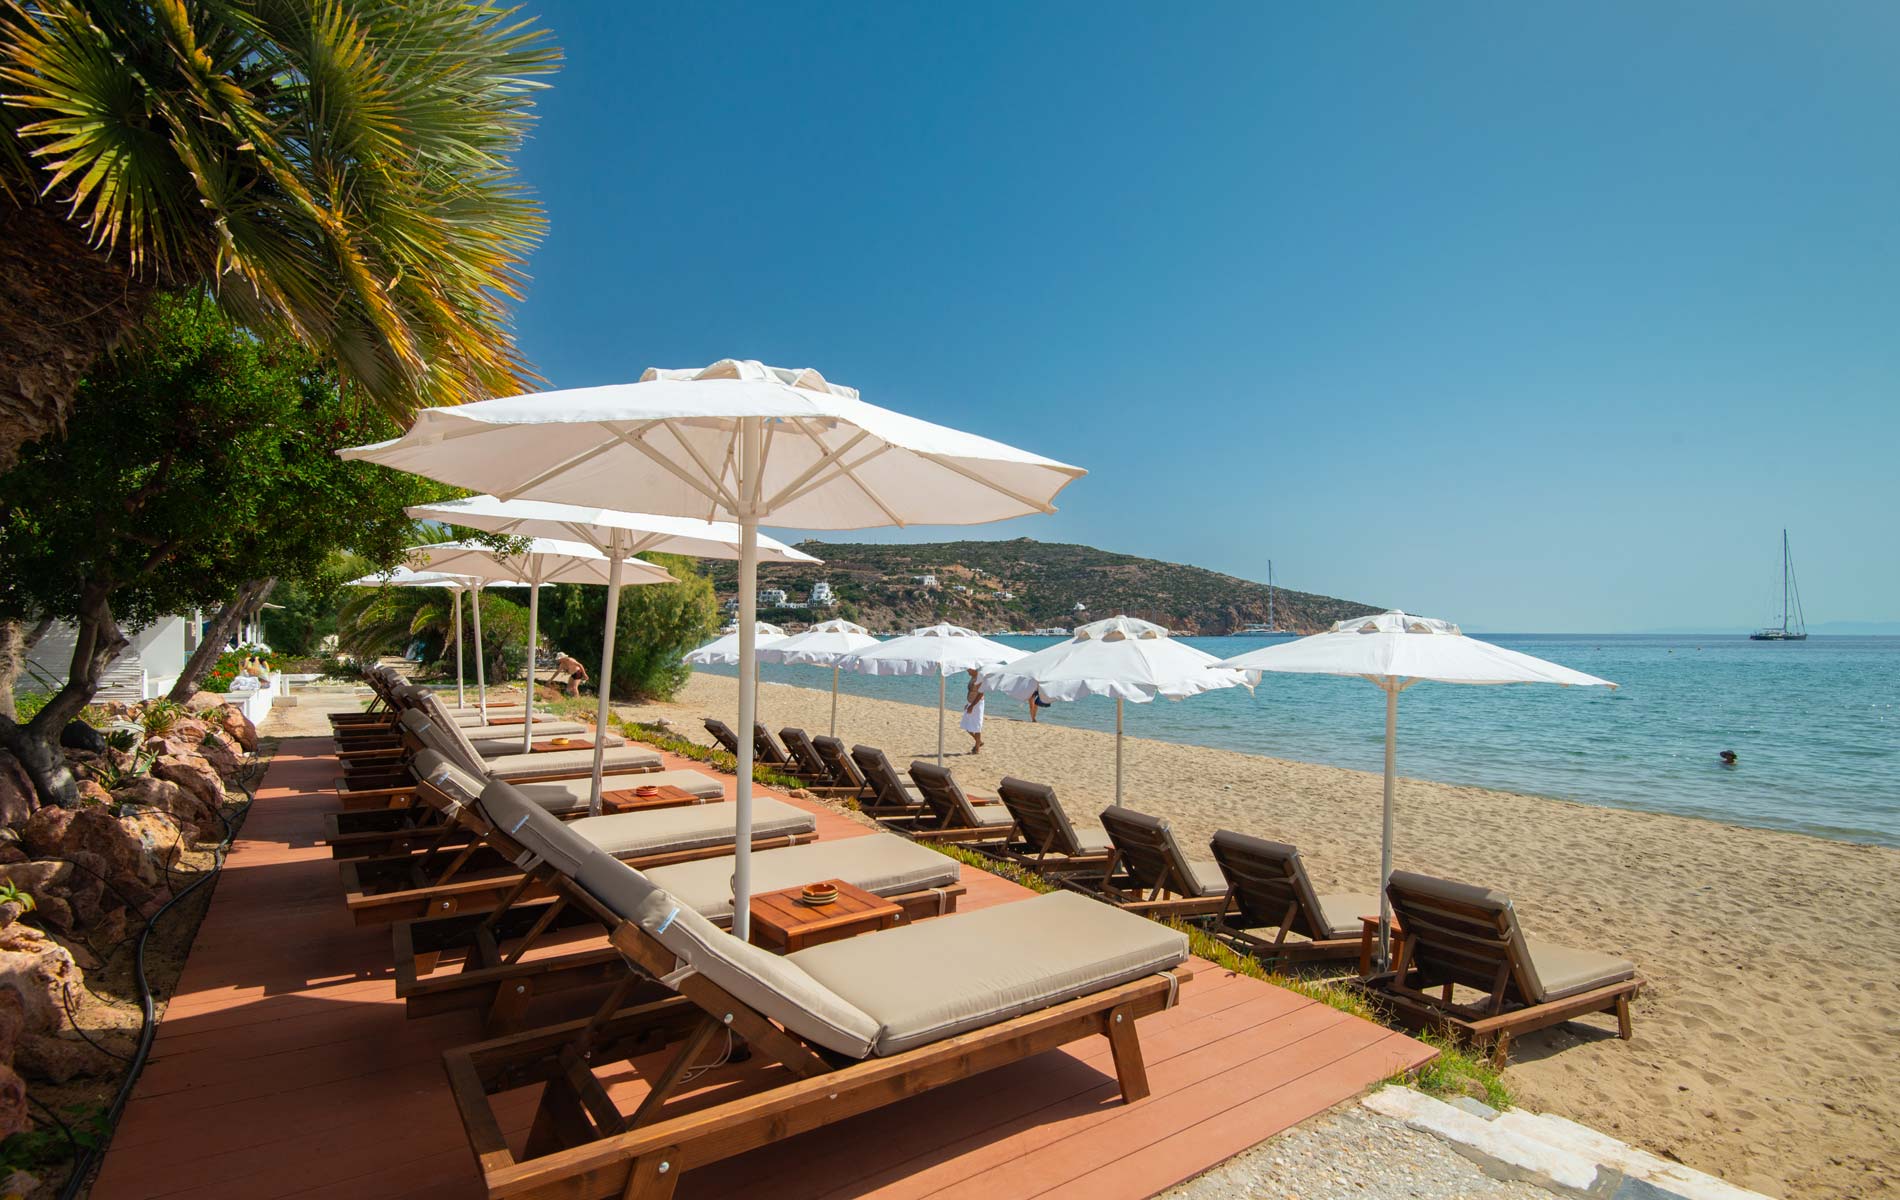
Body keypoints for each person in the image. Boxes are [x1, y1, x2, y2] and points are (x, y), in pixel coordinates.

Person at [961, 667, 986, 754]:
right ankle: (979, 742)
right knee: (966, 725)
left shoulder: (979, 678)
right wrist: (968, 704)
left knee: (976, 727)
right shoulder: (972, 677)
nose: (967, 671)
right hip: (971, 703)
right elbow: (971, 691)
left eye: (969, 670)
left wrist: (972, 706)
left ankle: (977, 748)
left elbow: (981, 693)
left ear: (973, 669)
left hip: (977, 704)